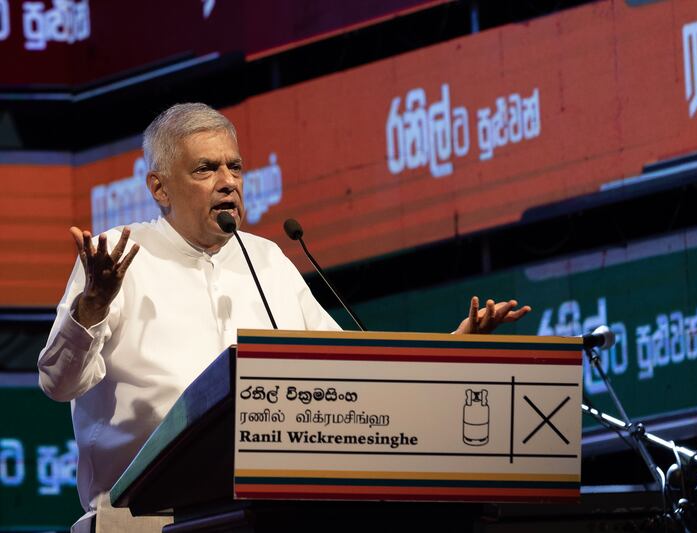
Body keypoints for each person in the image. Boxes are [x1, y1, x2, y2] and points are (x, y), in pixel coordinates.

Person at [38, 103, 531, 532]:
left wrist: (451, 350)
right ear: (159, 187)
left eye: (235, 166)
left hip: (267, 516)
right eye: (206, 169)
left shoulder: (268, 260)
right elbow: (59, 383)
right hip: (145, 520)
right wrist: (92, 306)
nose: (228, 182)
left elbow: (349, 372)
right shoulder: (115, 258)